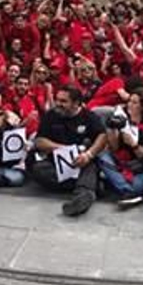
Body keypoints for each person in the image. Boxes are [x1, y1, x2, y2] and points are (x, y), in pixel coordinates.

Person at [32, 85, 108, 216]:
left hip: (82, 162)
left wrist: (88, 155)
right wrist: (61, 148)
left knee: (91, 167)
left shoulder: (89, 116)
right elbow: (39, 141)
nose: (58, 104)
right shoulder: (51, 115)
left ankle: (82, 199)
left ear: (76, 103)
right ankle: (90, 186)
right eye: (57, 100)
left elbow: (102, 136)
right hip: (56, 164)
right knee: (38, 170)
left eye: (63, 101)